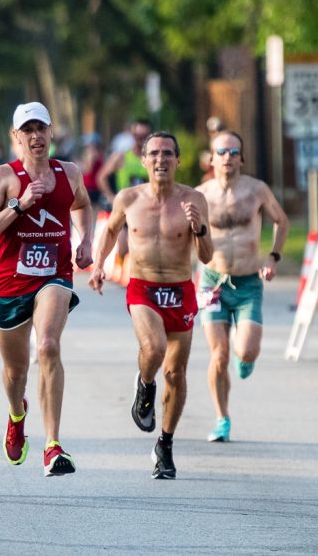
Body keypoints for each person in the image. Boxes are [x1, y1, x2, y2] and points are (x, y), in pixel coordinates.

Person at [0, 102, 93, 477]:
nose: (36, 137)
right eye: (28, 131)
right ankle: (17, 414)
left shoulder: (69, 172)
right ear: (16, 137)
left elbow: (83, 204)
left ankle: (53, 445)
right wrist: (18, 205)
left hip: (54, 275)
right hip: (9, 283)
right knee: (16, 371)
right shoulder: (2, 177)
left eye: (42, 128)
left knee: (48, 346)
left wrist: (85, 240)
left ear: (52, 131)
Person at [89, 132, 213, 479]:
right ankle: (145, 384)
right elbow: (110, 231)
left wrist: (199, 229)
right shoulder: (129, 198)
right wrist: (99, 264)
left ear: (177, 160)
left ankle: (166, 444)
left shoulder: (194, 199)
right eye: (154, 154)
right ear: (143, 161)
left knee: (176, 373)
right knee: (154, 347)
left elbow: (207, 255)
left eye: (167, 154)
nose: (160, 160)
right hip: (142, 287)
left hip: (180, 289)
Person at [195, 131, 288, 444]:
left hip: (248, 283)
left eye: (234, 152)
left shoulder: (256, 190)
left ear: (242, 158)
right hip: (212, 282)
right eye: (221, 151)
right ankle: (222, 418)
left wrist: (273, 257)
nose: (228, 157)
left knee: (245, 350)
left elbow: (282, 221)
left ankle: (244, 358)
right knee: (218, 354)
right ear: (211, 158)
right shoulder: (200, 194)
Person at [98, 118, 153, 262]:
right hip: (125, 211)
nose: (140, 140)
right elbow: (101, 177)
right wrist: (111, 197)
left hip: (146, 210)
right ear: (132, 135)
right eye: (137, 136)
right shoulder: (122, 157)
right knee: (122, 249)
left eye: (144, 137)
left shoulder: (153, 159)